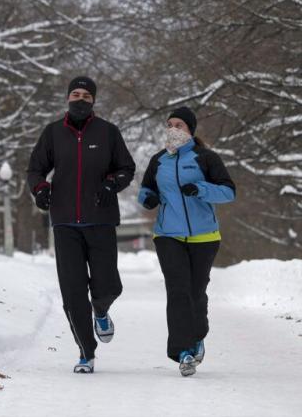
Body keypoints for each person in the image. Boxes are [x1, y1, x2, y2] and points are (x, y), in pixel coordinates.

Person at [27, 76, 136, 374]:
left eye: (86, 96)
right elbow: (35, 168)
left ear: (93, 101)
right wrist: (40, 189)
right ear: (67, 98)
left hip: (100, 220)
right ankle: (85, 353)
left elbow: (127, 167)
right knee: (73, 292)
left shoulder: (108, 132)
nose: (80, 99)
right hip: (64, 223)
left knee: (108, 284)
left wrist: (112, 184)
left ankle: (101, 309)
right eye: (75, 94)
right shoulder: (52, 134)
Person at [138, 106, 236, 377]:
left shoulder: (206, 157)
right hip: (168, 235)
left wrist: (201, 189)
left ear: (190, 129)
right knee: (178, 290)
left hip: (204, 236)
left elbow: (229, 192)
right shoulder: (158, 160)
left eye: (178, 125)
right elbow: (146, 190)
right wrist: (148, 199)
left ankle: (197, 336)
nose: (173, 129)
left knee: (196, 291)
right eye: (169, 124)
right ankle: (183, 352)